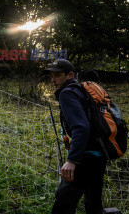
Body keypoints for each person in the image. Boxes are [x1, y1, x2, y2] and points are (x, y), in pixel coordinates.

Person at [45, 59, 107, 214]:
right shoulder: (82, 90)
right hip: (99, 154)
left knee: (62, 205)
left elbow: (81, 127)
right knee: (93, 205)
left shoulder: (67, 93)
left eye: (57, 75)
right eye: (51, 75)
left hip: (84, 158)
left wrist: (72, 160)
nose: (53, 80)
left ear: (70, 74)